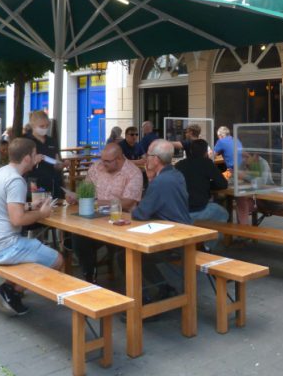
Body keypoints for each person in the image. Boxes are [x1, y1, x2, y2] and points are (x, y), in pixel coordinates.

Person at [0, 138, 63, 316]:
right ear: (28, 158)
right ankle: (11, 292)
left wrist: (30, 207)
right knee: (57, 259)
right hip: (1, 247)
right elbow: (18, 219)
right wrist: (42, 213)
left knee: (34, 252)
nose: (37, 156)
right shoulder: (16, 181)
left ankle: (8, 288)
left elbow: (6, 208)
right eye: (34, 153)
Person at [69, 143, 143, 282]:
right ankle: (90, 276)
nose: (102, 163)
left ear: (119, 159)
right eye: (102, 159)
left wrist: (96, 201)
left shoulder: (133, 173)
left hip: (121, 222)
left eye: (107, 161)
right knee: (77, 236)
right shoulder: (97, 167)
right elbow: (86, 190)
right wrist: (77, 196)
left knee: (84, 238)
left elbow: (127, 202)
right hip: (94, 219)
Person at [132, 139, 191, 299]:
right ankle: (163, 288)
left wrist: (151, 182)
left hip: (172, 242)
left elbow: (140, 214)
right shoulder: (177, 174)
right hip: (184, 233)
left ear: (156, 160)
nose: (145, 158)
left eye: (148, 155)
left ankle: (149, 298)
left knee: (126, 256)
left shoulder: (160, 182)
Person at [175, 138, 228, 225]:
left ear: (190, 151)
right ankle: (214, 238)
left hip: (180, 210)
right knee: (224, 213)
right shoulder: (207, 163)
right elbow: (223, 184)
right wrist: (207, 185)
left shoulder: (179, 164)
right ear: (205, 152)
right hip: (199, 208)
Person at [24, 110, 64, 199]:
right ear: (33, 125)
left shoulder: (51, 141)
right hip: (34, 182)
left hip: (53, 182)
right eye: (41, 126)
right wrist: (33, 161)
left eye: (47, 126)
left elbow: (58, 160)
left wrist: (60, 164)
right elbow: (20, 164)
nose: (45, 128)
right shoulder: (26, 141)